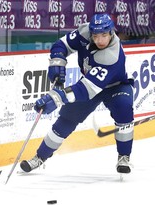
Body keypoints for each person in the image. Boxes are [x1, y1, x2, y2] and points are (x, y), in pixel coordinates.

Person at [20, 13, 134, 174]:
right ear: (91, 32)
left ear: (111, 32)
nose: (100, 40)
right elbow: (61, 45)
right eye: (95, 36)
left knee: (124, 109)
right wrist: (57, 62)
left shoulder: (112, 56)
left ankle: (124, 157)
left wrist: (57, 97)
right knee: (67, 118)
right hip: (89, 82)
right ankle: (40, 157)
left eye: (104, 35)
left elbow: (85, 89)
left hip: (116, 87)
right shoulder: (85, 31)